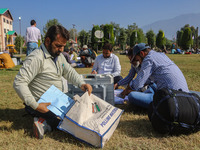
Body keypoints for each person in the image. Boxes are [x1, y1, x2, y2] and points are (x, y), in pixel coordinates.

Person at [13, 25, 92, 139]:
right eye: (58, 46)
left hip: (57, 99)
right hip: (40, 103)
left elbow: (69, 72)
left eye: (63, 46)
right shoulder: (36, 58)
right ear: (47, 41)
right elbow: (19, 82)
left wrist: (81, 83)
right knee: (65, 121)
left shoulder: (58, 56)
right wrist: (36, 105)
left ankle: (45, 120)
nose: (61, 50)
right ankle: (43, 123)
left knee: (77, 110)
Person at [122, 43, 189, 108]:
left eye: (138, 59)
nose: (139, 62)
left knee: (132, 95)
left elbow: (138, 84)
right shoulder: (161, 55)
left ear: (142, 53)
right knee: (152, 86)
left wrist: (128, 89)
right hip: (183, 94)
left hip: (171, 99)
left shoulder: (148, 59)